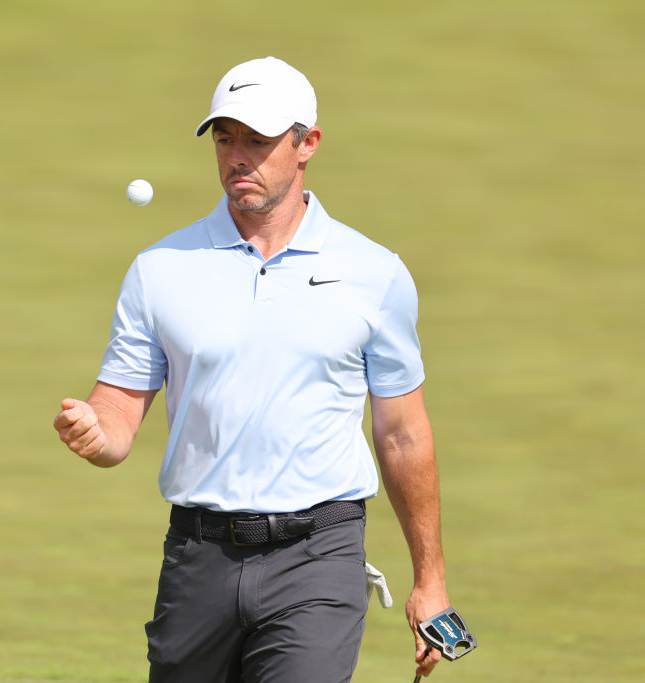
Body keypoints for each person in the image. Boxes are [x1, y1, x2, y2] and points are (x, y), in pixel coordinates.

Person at [53, 56, 450, 682]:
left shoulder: (374, 273)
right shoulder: (160, 268)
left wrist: (430, 581)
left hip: (319, 555)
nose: (238, 157)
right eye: (225, 138)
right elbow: (118, 414)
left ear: (306, 144)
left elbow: (402, 433)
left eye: (258, 141)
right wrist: (96, 433)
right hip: (198, 555)